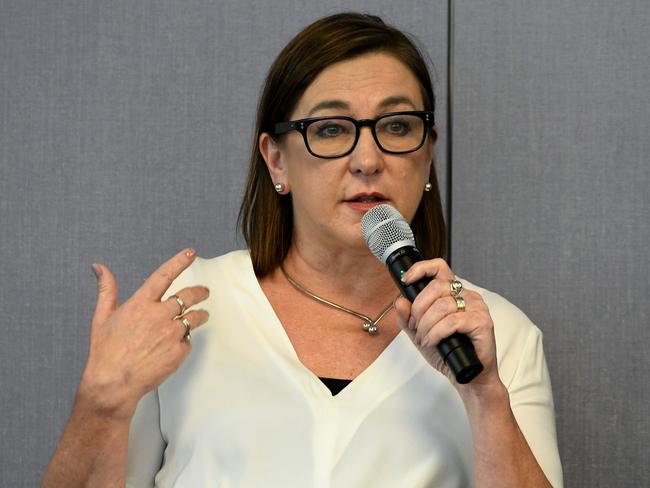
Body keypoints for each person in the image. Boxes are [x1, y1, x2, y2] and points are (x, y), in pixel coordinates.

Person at [43, 12, 563, 488]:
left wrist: (484, 393)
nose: (367, 159)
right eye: (331, 129)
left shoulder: (496, 334)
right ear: (276, 162)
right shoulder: (189, 308)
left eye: (397, 126)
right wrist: (100, 405)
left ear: (428, 155)